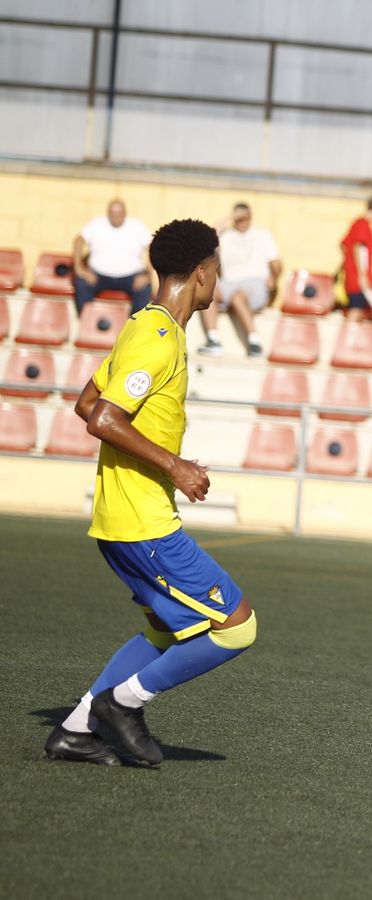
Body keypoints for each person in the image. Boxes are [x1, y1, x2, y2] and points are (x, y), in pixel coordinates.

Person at [45, 218, 258, 768]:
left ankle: (75, 730)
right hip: (143, 524)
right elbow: (103, 418)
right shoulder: (157, 338)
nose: (218, 281)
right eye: (217, 271)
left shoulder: (144, 327)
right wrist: (174, 465)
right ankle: (125, 702)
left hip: (121, 519)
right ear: (202, 272)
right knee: (237, 626)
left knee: (164, 630)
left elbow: (87, 402)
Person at [199, 203, 280, 358]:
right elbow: (208, 236)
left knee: (238, 297)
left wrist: (274, 279)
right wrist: (230, 218)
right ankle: (213, 340)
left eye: (244, 217)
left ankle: (255, 343)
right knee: (207, 291)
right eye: (239, 218)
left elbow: (276, 263)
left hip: (255, 283)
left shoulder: (263, 235)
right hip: (229, 282)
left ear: (250, 217)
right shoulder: (226, 236)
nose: (242, 221)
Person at [72, 199, 152, 313]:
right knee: (81, 283)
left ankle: (135, 323)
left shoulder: (138, 226)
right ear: (108, 213)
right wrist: (79, 269)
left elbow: (152, 247)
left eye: (119, 213)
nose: (116, 216)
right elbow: (78, 241)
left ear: (125, 213)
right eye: (112, 213)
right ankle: (88, 320)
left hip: (131, 278)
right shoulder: (96, 224)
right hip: (98, 276)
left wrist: (147, 274)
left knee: (144, 287)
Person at [339, 195, 372, 317]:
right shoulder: (363, 225)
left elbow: (344, 245)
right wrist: (362, 275)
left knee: (358, 312)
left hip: (352, 276)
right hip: (358, 280)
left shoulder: (357, 223)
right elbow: (358, 247)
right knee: (356, 312)